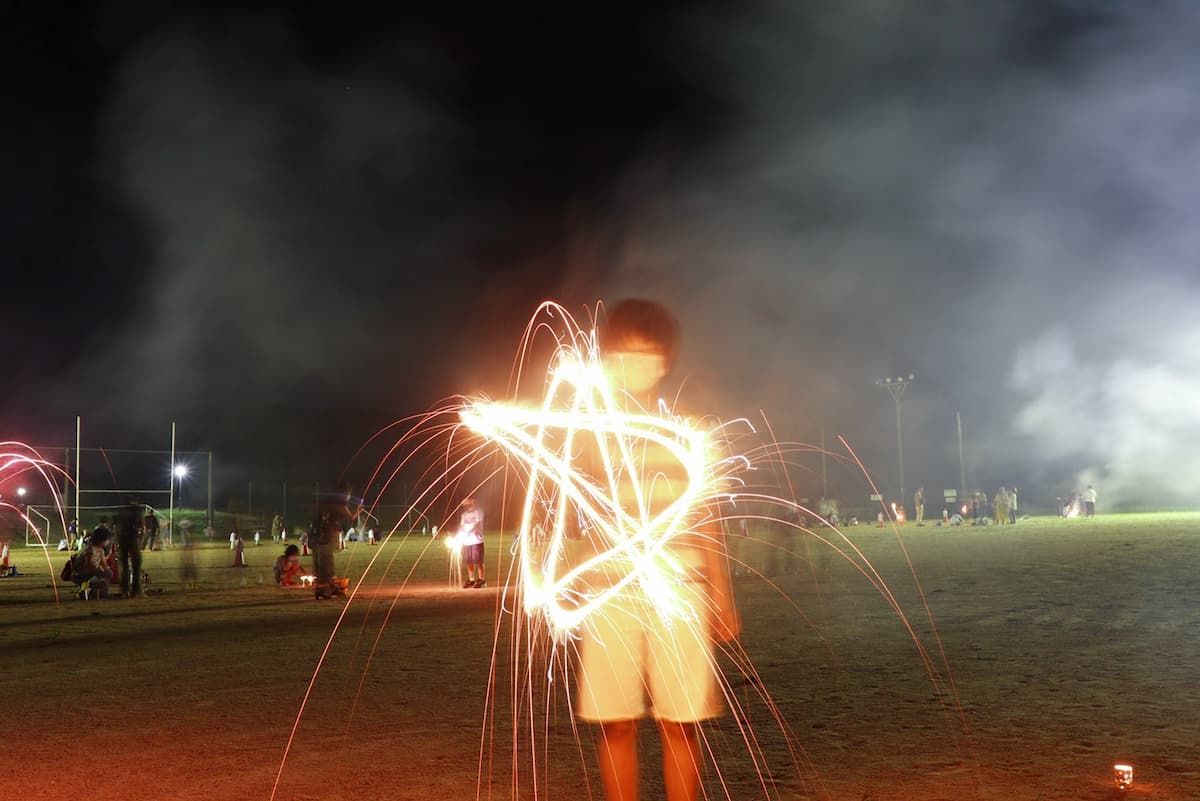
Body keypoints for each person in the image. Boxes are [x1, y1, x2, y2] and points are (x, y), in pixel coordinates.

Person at [571, 299, 740, 801]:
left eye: (648, 352)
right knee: (614, 722)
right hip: (611, 591)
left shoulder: (687, 430)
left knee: (680, 723)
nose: (637, 363)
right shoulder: (589, 433)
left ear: (666, 359)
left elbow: (708, 515)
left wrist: (722, 594)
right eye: (625, 351)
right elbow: (571, 510)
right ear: (606, 357)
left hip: (680, 589)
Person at [311, 481, 360, 600]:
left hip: (316, 536)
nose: (349, 496)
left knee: (320, 564)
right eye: (348, 494)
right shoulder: (340, 505)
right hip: (326, 536)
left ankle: (326, 588)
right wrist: (358, 510)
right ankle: (324, 590)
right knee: (326, 564)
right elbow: (351, 517)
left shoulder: (326, 503)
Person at [112, 498, 144, 598]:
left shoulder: (120, 511)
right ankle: (136, 590)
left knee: (123, 565)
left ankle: (124, 590)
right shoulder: (136, 510)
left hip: (121, 539)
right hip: (132, 538)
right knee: (136, 565)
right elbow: (140, 525)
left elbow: (115, 525)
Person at [457, 498, 486, 588]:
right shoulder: (464, 514)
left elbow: (477, 523)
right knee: (469, 561)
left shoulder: (478, 511)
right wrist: (458, 535)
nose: (464, 503)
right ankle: (471, 579)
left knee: (478, 561)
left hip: (477, 540)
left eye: (467, 501)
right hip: (467, 541)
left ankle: (481, 579)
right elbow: (461, 526)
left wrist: (469, 530)